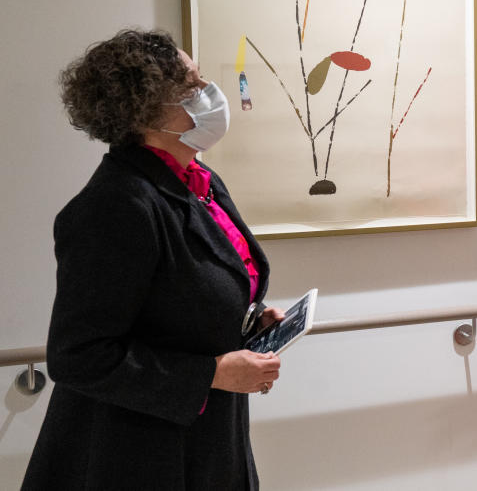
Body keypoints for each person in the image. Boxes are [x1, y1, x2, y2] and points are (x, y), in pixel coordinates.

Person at [23, 29, 284, 490]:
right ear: (145, 108)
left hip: (206, 440)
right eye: (191, 87)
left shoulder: (198, 179)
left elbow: (182, 297)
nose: (209, 95)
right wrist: (211, 375)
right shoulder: (116, 205)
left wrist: (246, 321)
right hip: (135, 455)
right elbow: (77, 357)